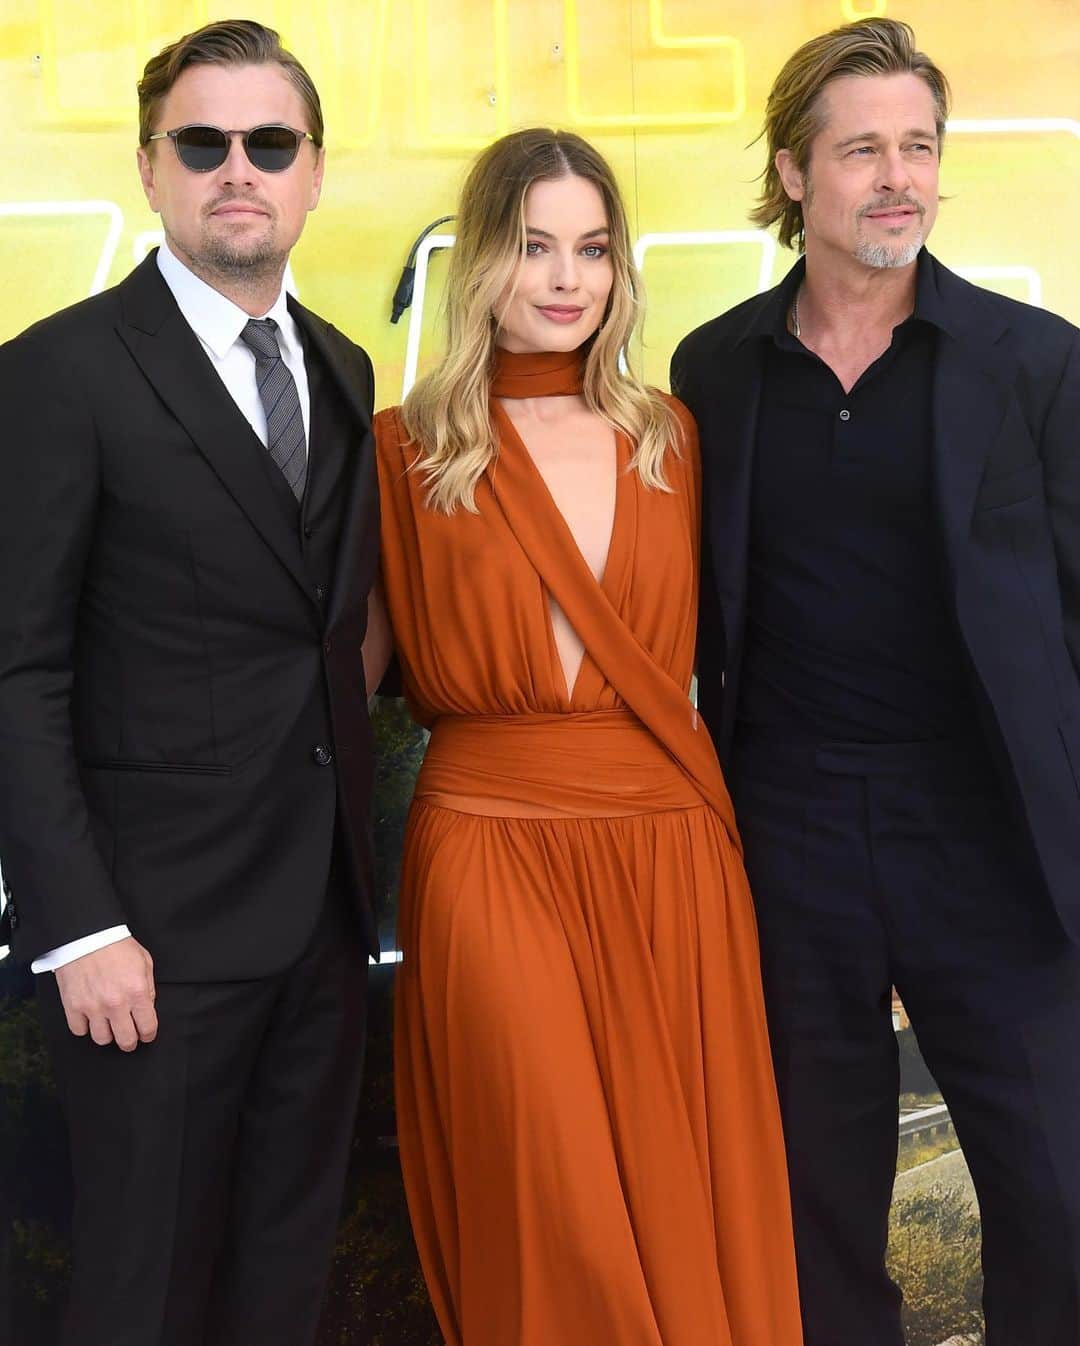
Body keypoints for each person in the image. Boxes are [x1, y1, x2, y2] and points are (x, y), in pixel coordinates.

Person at [671, 17, 1080, 1346]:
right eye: (863, 150)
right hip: (786, 827)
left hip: (990, 825)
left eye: (920, 145)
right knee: (812, 1192)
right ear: (795, 174)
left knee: (1057, 1181)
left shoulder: (1035, 362)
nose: (898, 175)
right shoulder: (714, 371)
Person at [364, 128, 802, 1346]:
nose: (567, 277)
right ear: (483, 262)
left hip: (667, 844)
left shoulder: (671, 435)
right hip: (486, 846)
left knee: (680, 1189)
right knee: (546, 1190)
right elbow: (326, 677)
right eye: (533, 244)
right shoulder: (406, 451)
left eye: (594, 248)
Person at [0, 20, 382, 1346]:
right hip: (146, 945)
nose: (239, 169)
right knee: (140, 1294)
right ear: (151, 170)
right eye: (203, 143)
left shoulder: (342, 368)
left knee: (283, 1282)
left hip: (322, 927)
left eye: (269, 143)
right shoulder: (58, 373)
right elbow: (17, 665)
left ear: (313, 172)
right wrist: (78, 925)